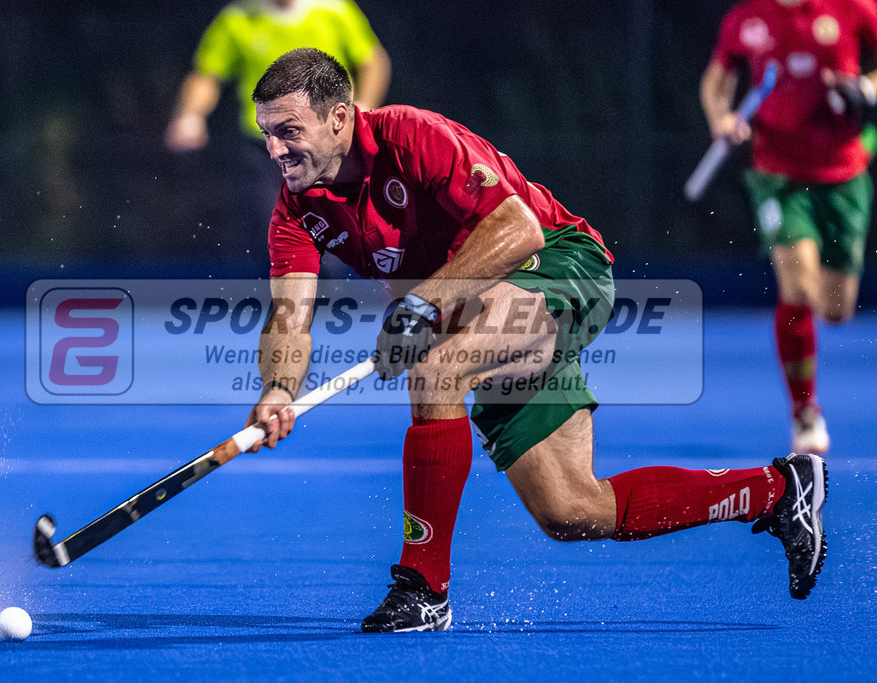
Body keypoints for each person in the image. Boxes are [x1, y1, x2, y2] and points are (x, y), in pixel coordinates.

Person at [245, 48, 828, 633]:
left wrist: (423, 305)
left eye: (289, 131)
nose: (275, 150)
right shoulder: (295, 212)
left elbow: (518, 230)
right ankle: (778, 491)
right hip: (481, 310)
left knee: (437, 369)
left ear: (339, 118)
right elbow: (289, 318)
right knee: (571, 510)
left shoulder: (412, 137)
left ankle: (424, 589)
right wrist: (277, 390)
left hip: (558, 265)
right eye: (267, 134)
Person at [699, 0, 877, 455]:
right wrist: (720, 117)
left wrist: (867, 88)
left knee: (835, 309)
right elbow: (718, 79)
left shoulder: (854, 8)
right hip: (778, 177)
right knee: (797, 290)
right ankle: (805, 413)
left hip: (844, 176)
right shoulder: (746, 18)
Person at [164, 0, 389, 153]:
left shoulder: (335, 10)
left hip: (328, 137)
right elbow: (207, 75)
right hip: (264, 143)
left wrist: (365, 106)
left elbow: (372, 61)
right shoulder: (238, 18)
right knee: (265, 210)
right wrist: (190, 114)